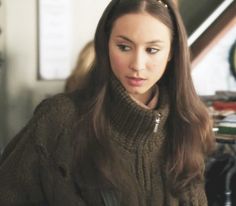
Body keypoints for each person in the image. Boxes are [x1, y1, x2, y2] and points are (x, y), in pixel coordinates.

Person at [0, 0, 215, 205]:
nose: (138, 65)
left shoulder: (189, 124)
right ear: (106, 45)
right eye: (124, 47)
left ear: (171, 53)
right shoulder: (59, 118)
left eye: (152, 50)